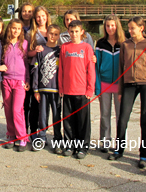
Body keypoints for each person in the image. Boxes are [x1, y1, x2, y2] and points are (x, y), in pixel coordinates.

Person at [109, 16, 146, 169]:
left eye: (133, 28)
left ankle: (143, 155)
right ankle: (119, 149)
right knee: (122, 118)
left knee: (145, 120)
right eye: (129, 28)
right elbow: (121, 68)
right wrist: (120, 89)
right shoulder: (125, 45)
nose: (130, 31)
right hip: (129, 84)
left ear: (141, 28)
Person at [58, 20, 95, 159]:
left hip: (82, 91)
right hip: (67, 90)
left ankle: (82, 147)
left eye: (77, 31)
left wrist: (90, 89)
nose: (74, 34)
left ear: (82, 32)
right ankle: (69, 145)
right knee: (68, 120)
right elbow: (61, 68)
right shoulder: (64, 47)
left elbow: (91, 70)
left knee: (82, 121)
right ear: (68, 32)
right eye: (71, 31)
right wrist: (61, 87)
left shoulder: (86, 48)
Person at [95, 15, 125, 152]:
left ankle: (120, 142)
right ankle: (105, 141)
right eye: (107, 26)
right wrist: (97, 86)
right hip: (105, 83)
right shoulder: (101, 43)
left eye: (112, 25)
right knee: (105, 114)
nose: (110, 28)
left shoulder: (123, 43)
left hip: (120, 85)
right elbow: (97, 65)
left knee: (121, 115)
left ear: (117, 26)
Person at [32, 24, 63, 154]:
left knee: (57, 116)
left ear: (58, 36)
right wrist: (35, 89)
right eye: (51, 33)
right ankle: (42, 138)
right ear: (47, 34)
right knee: (42, 115)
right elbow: (36, 70)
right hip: (43, 89)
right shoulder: (41, 50)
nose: (53, 36)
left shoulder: (61, 51)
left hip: (56, 89)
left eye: (56, 34)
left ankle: (57, 139)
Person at [1, 19, 30, 152]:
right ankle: (11, 135)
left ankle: (22, 137)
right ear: (9, 29)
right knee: (7, 109)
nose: (15, 31)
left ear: (21, 31)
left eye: (18, 29)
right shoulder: (4, 44)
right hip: (6, 80)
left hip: (20, 81)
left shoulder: (24, 44)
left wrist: (27, 80)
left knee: (17, 110)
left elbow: (27, 64)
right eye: (13, 28)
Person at [25, 6, 52, 138]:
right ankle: (33, 131)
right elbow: (26, 53)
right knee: (35, 102)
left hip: (50, 70)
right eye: (38, 17)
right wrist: (36, 51)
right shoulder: (31, 33)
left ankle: (44, 131)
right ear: (35, 19)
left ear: (47, 16)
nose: (41, 19)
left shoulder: (53, 31)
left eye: (43, 16)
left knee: (46, 104)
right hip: (35, 69)